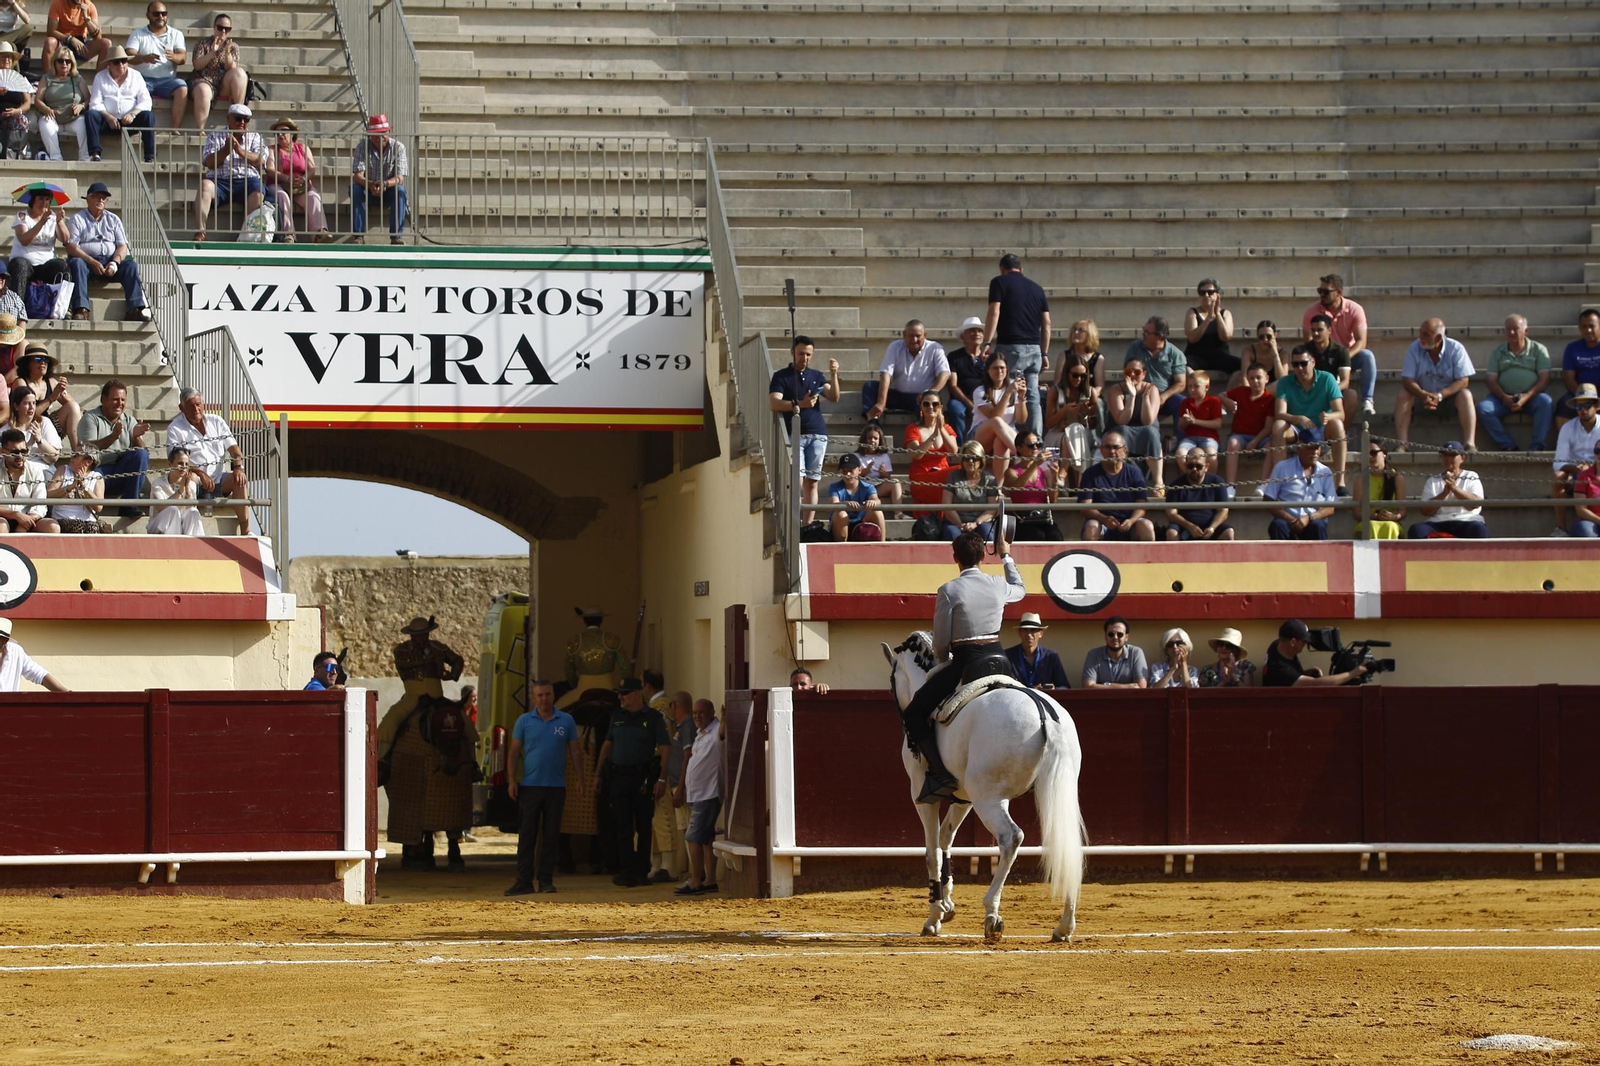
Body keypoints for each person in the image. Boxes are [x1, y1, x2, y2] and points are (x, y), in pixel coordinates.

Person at [899, 529, 1024, 802]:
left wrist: (943, 664)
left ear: (955, 558)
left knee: (914, 714)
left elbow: (942, 642)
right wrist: (1005, 554)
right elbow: (1021, 589)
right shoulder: (997, 584)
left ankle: (942, 775)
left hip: (967, 662)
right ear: (983, 556)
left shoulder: (949, 590)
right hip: (1001, 660)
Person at [379, 615, 472, 871]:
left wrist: (451, 674)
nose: (420, 639)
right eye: (417, 636)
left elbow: (459, 660)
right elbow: (405, 667)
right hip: (413, 696)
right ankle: (381, 762)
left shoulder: (439, 647)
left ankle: (471, 763)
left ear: (429, 633)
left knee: (465, 725)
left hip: (437, 695)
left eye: (424, 635)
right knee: (388, 724)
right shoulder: (403, 650)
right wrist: (429, 660)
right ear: (411, 635)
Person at [594, 677, 670, 887]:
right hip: (619, 777)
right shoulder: (617, 716)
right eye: (620, 693)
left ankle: (641, 872)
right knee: (623, 825)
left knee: (644, 825)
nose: (620, 697)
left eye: (625, 693)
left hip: (643, 778)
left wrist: (662, 778)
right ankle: (626, 871)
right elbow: (607, 745)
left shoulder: (653, 717)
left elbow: (665, 748)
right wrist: (598, 774)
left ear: (637, 694)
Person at [505, 678, 576, 896]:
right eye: (540, 695)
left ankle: (546, 880)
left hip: (556, 787)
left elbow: (575, 752)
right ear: (534, 698)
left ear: (553, 696)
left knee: (551, 835)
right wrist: (511, 780)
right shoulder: (524, 722)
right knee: (527, 835)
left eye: (547, 694)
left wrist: (581, 779)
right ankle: (524, 880)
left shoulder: (566, 721)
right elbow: (514, 753)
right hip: (530, 786)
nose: (544, 698)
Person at [981, 253, 1051, 438]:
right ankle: (1036, 441)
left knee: (1009, 391)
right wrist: (1044, 352)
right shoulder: (1037, 288)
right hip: (1034, 348)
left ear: (1002, 269)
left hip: (1011, 346)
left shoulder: (999, 282)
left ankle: (1011, 438)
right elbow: (1047, 323)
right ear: (1021, 270)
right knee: (1033, 397)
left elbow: (994, 311)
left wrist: (987, 341)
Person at [767, 334, 840, 510]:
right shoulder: (781, 376)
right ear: (792, 352)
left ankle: (807, 525)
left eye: (808, 354)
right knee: (797, 481)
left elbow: (834, 396)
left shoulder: (816, 375)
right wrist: (800, 404)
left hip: (818, 433)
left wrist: (834, 374)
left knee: (812, 482)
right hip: (795, 433)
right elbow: (773, 403)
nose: (804, 358)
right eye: (801, 354)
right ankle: (794, 521)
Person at [165, 386, 250, 532]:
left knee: (240, 480)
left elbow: (235, 450)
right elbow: (176, 461)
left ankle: (246, 531)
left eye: (198, 404)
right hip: (194, 478)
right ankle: (189, 527)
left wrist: (238, 468)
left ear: (203, 404)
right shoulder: (175, 428)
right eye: (191, 406)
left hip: (218, 478)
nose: (196, 409)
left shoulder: (216, 421)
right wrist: (200, 473)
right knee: (188, 477)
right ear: (181, 408)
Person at [64, 182, 150, 324]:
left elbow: (122, 245)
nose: (101, 200)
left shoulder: (113, 219)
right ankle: (81, 309)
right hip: (87, 262)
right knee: (76, 263)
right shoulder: (77, 219)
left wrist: (115, 263)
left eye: (103, 198)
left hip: (110, 261)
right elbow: (72, 247)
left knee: (131, 266)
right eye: (97, 197)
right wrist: (91, 261)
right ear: (88, 199)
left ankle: (135, 310)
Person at [1303, 274, 1378, 417]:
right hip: (1321, 356)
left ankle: (1368, 399)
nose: (1322, 295)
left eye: (1326, 292)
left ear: (1339, 293)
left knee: (1367, 356)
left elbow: (1361, 341)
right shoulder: (1312, 311)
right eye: (1320, 291)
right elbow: (1308, 343)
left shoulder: (1355, 309)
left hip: (1347, 354)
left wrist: (1343, 357)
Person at [1396, 318, 1476, 451]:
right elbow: (1407, 379)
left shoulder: (1456, 348)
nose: (1421, 337)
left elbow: (1463, 381)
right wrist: (1422, 395)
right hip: (1422, 398)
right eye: (1421, 333)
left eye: (1426, 334)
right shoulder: (1414, 348)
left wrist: (1440, 395)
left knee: (1466, 395)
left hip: (1448, 399)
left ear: (1438, 338)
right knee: (1403, 395)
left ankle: (1469, 444)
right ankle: (1402, 444)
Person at [1272, 344, 1346, 486]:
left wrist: (1328, 417)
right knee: (1278, 426)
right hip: (1297, 431)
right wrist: (1298, 418)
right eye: (1295, 364)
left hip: (1322, 429)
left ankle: (1340, 482)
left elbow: (1340, 413)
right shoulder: (1285, 382)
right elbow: (1279, 413)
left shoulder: (1327, 378)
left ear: (1313, 362)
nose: (1299, 368)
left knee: (1337, 423)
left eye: (1303, 363)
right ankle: (1279, 482)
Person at [1477, 314, 1552, 451]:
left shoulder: (1538, 350)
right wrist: (1503, 397)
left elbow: (1545, 378)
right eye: (1508, 329)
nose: (1511, 332)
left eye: (1515, 329)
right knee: (1484, 408)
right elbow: (1491, 380)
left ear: (1526, 331)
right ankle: (1508, 445)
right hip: (1502, 398)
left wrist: (1526, 396)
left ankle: (1537, 445)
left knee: (1546, 402)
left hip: (1531, 397)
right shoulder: (1497, 352)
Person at [193, 103, 265, 242]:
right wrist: (226, 150)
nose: (242, 123)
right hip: (220, 180)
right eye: (238, 118)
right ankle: (201, 231)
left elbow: (260, 160)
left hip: (247, 181)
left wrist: (239, 151)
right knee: (205, 185)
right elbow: (209, 162)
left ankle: (246, 235)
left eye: (246, 119)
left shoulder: (255, 136)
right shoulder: (215, 136)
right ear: (228, 118)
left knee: (258, 191)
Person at [77, 377, 149, 515]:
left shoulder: (129, 420)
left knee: (141, 453)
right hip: (97, 472)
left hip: (121, 473)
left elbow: (143, 454)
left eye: (122, 400)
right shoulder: (90, 418)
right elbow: (86, 449)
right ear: (103, 400)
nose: (119, 404)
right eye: (115, 399)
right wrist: (112, 437)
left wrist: (136, 437)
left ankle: (129, 506)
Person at [675, 698, 721, 895]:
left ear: (712, 713)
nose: (697, 716)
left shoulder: (717, 730)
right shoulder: (700, 733)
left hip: (708, 793)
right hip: (698, 794)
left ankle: (695, 881)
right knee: (706, 838)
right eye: (695, 713)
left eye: (701, 712)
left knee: (693, 837)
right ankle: (710, 880)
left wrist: (726, 715)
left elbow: (725, 730)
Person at [863, 319, 950, 420]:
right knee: (870, 386)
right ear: (904, 335)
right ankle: (873, 425)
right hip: (897, 395)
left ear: (925, 335)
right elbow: (886, 374)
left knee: (927, 405)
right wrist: (881, 402)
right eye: (910, 336)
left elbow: (945, 373)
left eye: (918, 336)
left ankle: (921, 434)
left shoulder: (935, 348)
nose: (914, 340)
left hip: (920, 398)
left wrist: (930, 392)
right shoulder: (895, 347)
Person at [1077, 430, 1154, 541]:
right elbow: (1084, 507)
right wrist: (1104, 519)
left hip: (1129, 524)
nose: (1112, 451)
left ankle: (1149, 559)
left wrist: (1131, 520)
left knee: (1146, 526)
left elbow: (1141, 504)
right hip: (1101, 524)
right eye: (1107, 447)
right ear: (1101, 450)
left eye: (1116, 447)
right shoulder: (1090, 474)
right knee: (1091, 526)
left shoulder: (1135, 472)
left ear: (1124, 450)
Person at [1263, 428, 1337, 540]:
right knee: (1278, 525)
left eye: (1317, 447)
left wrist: (1309, 518)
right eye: (1310, 447)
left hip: (1312, 521)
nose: (1314, 452)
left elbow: (1330, 507)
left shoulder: (1325, 471)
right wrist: (1291, 520)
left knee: (1318, 526)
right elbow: (1268, 499)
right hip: (1288, 521)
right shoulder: (1282, 467)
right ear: (1299, 447)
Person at [264, 117, 330, 242]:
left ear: (292, 133)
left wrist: (304, 179)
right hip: (279, 183)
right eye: (277, 132)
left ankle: (320, 233)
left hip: (300, 185)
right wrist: (287, 178)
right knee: (282, 196)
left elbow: (312, 169)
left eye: (283, 131)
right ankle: (289, 235)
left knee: (313, 197)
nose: (280, 134)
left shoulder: (303, 148)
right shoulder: (272, 150)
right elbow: (270, 169)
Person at [87, 46, 154, 164]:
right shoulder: (100, 77)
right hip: (107, 122)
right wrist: (108, 117)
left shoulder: (136, 76)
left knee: (148, 116)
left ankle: (150, 156)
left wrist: (133, 114)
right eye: (116, 62)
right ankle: (95, 154)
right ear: (109, 64)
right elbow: (95, 102)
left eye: (124, 61)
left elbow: (146, 101)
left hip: (130, 121)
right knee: (91, 115)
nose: (121, 65)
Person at [125, 1, 186, 128]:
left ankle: (175, 128)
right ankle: (134, 126)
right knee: (130, 90)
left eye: (164, 13)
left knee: (182, 88)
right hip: (143, 79)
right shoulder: (138, 34)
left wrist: (173, 57)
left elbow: (183, 58)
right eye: (156, 14)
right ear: (148, 15)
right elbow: (129, 56)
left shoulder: (176, 34)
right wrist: (143, 58)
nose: (161, 17)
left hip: (168, 80)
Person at [1408, 441, 1488, 539]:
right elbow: (1425, 511)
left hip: (1467, 521)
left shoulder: (1471, 476)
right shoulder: (1433, 480)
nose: (1448, 459)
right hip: (1439, 523)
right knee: (1417, 530)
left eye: (1453, 455)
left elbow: (1476, 503)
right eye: (1445, 455)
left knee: (1479, 529)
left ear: (1462, 458)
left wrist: (1455, 489)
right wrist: (1444, 494)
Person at [1107, 355, 1164, 489]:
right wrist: (1132, 397)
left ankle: (1158, 481)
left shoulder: (1152, 389)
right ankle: (1120, 479)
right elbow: (1122, 420)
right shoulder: (1116, 390)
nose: (1132, 374)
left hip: (1146, 427)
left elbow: (1148, 421)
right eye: (1128, 372)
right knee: (1122, 431)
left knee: (1151, 432)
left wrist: (1144, 399)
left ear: (1144, 374)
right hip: (1123, 427)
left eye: (1137, 372)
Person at [1043, 347, 1100, 482]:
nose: (1079, 379)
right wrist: (1064, 411)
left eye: (1083, 376)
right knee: (1075, 432)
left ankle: (1063, 472)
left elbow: (1094, 426)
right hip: (1057, 433)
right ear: (1067, 373)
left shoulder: (1090, 392)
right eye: (1075, 375)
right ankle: (1080, 483)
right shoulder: (1055, 392)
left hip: (1082, 433)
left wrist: (1090, 413)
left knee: (1076, 429)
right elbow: (1049, 423)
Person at [1123, 315, 1188, 434]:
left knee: (1182, 402)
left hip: (1165, 398)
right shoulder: (1135, 347)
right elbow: (1127, 372)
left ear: (1160, 336)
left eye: (1147, 332)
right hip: (1139, 395)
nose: (1143, 334)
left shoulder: (1175, 354)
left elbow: (1181, 383)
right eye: (1144, 330)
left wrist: (1163, 397)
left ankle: (1180, 445)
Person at [1263, 618, 1374, 687]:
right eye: (1304, 641)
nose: (1306, 644)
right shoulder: (1281, 670)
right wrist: (1353, 673)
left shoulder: (1277, 645)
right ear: (1293, 642)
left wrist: (1305, 673)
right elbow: (1316, 684)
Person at [352, 113, 408, 244]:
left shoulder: (398, 147)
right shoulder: (362, 146)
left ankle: (396, 236)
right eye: (376, 133)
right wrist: (370, 184)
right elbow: (357, 176)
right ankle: (358, 236)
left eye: (383, 132)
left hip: (389, 189)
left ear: (388, 131)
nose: (380, 136)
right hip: (368, 188)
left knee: (400, 190)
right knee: (356, 189)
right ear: (370, 134)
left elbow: (400, 177)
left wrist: (385, 184)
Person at [1551, 384, 1600, 535]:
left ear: (1596, 406)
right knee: (1558, 477)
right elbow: (1558, 462)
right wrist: (1577, 469)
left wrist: (1592, 468)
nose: (1583, 410)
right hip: (1574, 472)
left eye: (1587, 405)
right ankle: (1561, 527)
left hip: (1598, 470)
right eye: (1579, 407)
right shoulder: (1568, 427)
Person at [660, 689, 697, 887]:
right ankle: (689, 871)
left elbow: (688, 756)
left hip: (683, 786)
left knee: (689, 829)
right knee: (685, 829)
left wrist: (681, 787)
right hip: (678, 784)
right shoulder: (682, 726)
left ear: (675, 706)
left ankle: (694, 872)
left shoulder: (687, 726)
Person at [559, 605, 630, 708]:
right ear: (601, 620)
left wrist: (576, 687)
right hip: (608, 687)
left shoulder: (575, 642)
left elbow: (568, 672)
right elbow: (626, 669)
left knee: (556, 713)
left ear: (584, 621)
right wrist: (622, 690)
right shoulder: (612, 639)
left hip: (583, 688)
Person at [32, 48, 95, 162]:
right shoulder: (47, 78)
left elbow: (88, 99)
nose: (64, 64)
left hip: (73, 118)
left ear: (72, 63)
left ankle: (84, 158)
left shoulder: (78, 78)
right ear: (54, 62)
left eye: (68, 61)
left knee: (84, 123)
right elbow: (37, 100)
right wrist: (46, 109)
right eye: (60, 61)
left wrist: (81, 106)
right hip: (53, 117)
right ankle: (56, 158)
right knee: (45, 123)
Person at [969, 352, 1025, 477]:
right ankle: (1023, 455)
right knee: (997, 422)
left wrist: (1021, 397)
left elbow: (1021, 420)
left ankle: (998, 488)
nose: (999, 371)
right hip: (981, 437)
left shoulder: (1012, 388)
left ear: (1007, 370)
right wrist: (1008, 393)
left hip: (1007, 437)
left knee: (1000, 441)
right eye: (995, 368)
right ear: (988, 370)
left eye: (1002, 368)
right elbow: (994, 415)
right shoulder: (980, 391)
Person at [1295, 313, 1356, 426]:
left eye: (1320, 330)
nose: (1315, 333)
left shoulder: (1341, 351)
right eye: (1313, 330)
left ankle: (1342, 435)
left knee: (1351, 395)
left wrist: (1328, 391)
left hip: (1332, 389)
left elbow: (1345, 381)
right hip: (1309, 388)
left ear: (1329, 330)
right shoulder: (1306, 350)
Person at [901, 389, 958, 510]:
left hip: (943, 476)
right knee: (958, 470)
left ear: (941, 407)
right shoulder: (913, 428)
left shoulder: (947, 428)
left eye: (935, 404)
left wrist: (941, 429)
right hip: (922, 477)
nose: (930, 407)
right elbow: (915, 455)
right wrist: (933, 436)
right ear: (921, 407)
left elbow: (954, 450)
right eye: (926, 404)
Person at [1005, 431, 1067, 541]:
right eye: (1030, 445)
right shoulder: (1012, 471)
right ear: (1019, 448)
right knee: (1037, 535)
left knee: (1056, 536)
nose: (1035, 448)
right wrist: (1035, 464)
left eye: (1038, 445)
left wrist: (1054, 478)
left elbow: (1053, 500)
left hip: (1041, 518)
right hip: (1023, 519)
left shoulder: (1043, 471)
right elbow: (1017, 487)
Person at [1221, 362, 1275, 488]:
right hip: (1240, 435)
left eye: (1259, 377)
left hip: (1261, 437)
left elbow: (1268, 427)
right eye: (1252, 378)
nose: (1255, 381)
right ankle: (1230, 486)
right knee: (1232, 444)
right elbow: (1220, 395)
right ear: (1247, 379)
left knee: (1273, 447)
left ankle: (1264, 484)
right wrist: (1227, 401)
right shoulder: (1241, 392)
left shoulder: (1270, 399)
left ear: (1266, 379)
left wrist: (1255, 442)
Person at [187, 11, 244, 130]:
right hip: (202, 79)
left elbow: (231, 69)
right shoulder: (203, 43)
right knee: (203, 90)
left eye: (227, 29)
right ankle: (200, 129)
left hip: (222, 83)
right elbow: (197, 65)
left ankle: (239, 115)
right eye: (220, 27)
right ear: (214, 27)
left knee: (239, 73)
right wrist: (212, 52)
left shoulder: (233, 46)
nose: (223, 31)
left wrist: (227, 53)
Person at [14, 343, 77, 448]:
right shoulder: (21, 383)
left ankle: (77, 450)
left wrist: (62, 390)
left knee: (73, 406)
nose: (43, 362)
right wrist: (51, 398)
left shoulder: (50, 382)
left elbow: (73, 407)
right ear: (28, 364)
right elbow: (26, 414)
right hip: (25, 425)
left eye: (45, 360)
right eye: (38, 359)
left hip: (46, 426)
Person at [1163, 448, 1233, 541]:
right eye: (1190, 466)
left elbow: (1223, 511)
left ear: (1206, 467)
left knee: (1228, 532)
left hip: (1211, 527)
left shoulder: (1217, 482)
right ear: (1185, 466)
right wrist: (1190, 526)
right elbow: (1171, 514)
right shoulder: (1176, 485)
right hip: (1185, 527)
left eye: (1199, 466)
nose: (1194, 469)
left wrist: (1212, 528)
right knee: (1172, 533)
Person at [9, 189, 67, 297]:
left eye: (47, 199)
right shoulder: (22, 216)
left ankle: (63, 309)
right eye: (40, 199)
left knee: (62, 266)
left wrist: (59, 222)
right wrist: (41, 223)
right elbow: (24, 240)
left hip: (45, 265)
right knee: (20, 265)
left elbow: (65, 239)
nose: (44, 202)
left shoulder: (53, 218)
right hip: (25, 263)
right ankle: (16, 307)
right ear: (33, 201)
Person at [0, 426, 58, 532]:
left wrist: (26, 522)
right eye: (15, 452)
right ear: (2, 452)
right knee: (1, 526)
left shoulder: (35, 470)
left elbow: (40, 504)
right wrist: (15, 515)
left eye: (24, 451)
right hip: (3, 517)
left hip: (29, 518)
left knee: (53, 527)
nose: (20, 456)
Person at [940, 439, 1000, 541]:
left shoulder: (990, 480)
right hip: (956, 522)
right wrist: (960, 525)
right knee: (953, 535)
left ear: (981, 460)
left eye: (974, 458)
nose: (970, 461)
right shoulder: (953, 476)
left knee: (988, 535)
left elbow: (992, 510)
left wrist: (975, 523)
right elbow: (947, 505)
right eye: (966, 458)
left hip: (981, 522)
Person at [1555, 308, 1600, 431]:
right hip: (1580, 393)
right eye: (1584, 327)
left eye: (1592, 326)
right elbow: (1569, 378)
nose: (1588, 330)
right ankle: (1567, 444)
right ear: (1580, 328)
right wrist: (1583, 396)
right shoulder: (1572, 348)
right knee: (1564, 405)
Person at [945, 315, 988, 442]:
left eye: (979, 331)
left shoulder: (989, 357)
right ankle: (961, 446)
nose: (976, 334)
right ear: (963, 336)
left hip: (985, 398)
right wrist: (970, 404)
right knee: (954, 409)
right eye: (971, 331)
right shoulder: (954, 357)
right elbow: (952, 385)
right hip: (961, 399)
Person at [1183, 278, 1238, 376]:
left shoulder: (1225, 313)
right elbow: (1192, 338)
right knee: (1183, 366)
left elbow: (1226, 337)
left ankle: (1228, 392)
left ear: (1217, 294)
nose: (1206, 295)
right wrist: (1208, 319)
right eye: (1202, 292)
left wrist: (1217, 314)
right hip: (1197, 356)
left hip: (1220, 357)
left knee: (1243, 366)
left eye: (1210, 292)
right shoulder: (1192, 312)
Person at [147, 443, 204, 535]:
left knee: (193, 512)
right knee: (172, 510)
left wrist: (188, 490)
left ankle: (194, 545)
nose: (184, 467)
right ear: (170, 464)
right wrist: (181, 490)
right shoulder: (158, 483)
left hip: (181, 525)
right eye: (180, 463)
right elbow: (161, 507)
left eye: (186, 464)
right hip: (158, 526)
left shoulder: (191, 484)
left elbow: (190, 509)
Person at [0, 616, 69, 692]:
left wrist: (68, 694)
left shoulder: (15, 651)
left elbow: (39, 674)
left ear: (5, 640)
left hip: (8, 703)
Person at [42, 0, 110, 75]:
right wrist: (70, 39)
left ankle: (100, 82)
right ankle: (47, 81)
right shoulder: (57, 3)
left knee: (106, 43)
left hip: (81, 45)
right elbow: (51, 31)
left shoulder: (89, 5)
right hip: (62, 43)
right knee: (50, 42)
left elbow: (98, 37)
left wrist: (86, 18)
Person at [46, 442, 102, 532]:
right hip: (64, 519)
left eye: (76, 455)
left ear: (88, 462)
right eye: (73, 454)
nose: (71, 457)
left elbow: (99, 507)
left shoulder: (97, 477)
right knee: (77, 527)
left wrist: (85, 488)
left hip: (89, 522)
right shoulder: (63, 470)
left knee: (92, 530)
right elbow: (48, 494)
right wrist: (70, 487)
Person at [827, 452, 883, 542]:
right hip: (840, 525)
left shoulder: (868, 487)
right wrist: (845, 504)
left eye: (851, 470)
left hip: (861, 525)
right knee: (841, 514)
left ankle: (882, 545)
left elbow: (876, 500)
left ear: (859, 470)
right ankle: (840, 546)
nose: (848, 474)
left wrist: (873, 502)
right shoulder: (834, 487)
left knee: (877, 512)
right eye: (844, 471)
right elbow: (833, 503)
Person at [1357, 438, 1406, 540]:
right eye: (1367, 453)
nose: (1370, 456)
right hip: (1368, 520)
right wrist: (1372, 516)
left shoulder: (1396, 477)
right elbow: (1356, 512)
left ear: (1384, 453)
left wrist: (1394, 517)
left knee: (1390, 526)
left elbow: (1403, 511)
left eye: (1373, 453)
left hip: (1391, 521)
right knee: (1370, 526)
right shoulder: (1361, 478)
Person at [1005, 612, 1068, 689]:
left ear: (1041, 633)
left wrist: (1053, 689)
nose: (1029, 635)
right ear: (1019, 633)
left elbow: (1064, 686)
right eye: (1025, 630)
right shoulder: (1008, 656)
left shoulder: (1051, 656)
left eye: (1033, 630)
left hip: (1042, 699)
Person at [1082, 615, 1147, 688]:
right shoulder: (1094, 654)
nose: (1115, 637)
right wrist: (1126, 687)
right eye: (1111, 634)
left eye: (1120, 634)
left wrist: (1104, 685)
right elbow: (1088, 686)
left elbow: (1141, 687)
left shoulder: (1135, 653)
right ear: (1105, 636)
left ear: (1126, 637)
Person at [1175, 369, 1223, 467]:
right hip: (1190, 438)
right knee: (1180, 454)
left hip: (1209, 437)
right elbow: (1180, 427)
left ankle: (1209, 481)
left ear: (1207, 387)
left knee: (1211, 455)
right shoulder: (1186, 402)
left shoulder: (1214, 401)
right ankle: (1193, 478)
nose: (1192, 390)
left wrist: (1196, 421)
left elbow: (1217, 424)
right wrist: (1185, 422)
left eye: (1196, 386)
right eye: (1190, 386)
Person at [855, 422, 903, 512]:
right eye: (869, 438)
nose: (872, 441)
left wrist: (882, 473)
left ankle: (898, 513)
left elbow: (888, 476)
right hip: (863, 487)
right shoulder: (857, 456)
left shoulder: (883, 456)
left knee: (895, 483)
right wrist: (866, 471)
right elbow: (854, 477)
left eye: (875, 438)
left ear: (880, 440)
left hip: (878, 486)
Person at [8, 383, 60, 464]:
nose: (32, 407)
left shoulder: (44, 422)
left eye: (34, 403)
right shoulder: (7, 429)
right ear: (16, 406)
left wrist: (39, 440)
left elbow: (54, 458)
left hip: (43, 470)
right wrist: (29, 444)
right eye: (26, 403)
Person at [1231, 320, 1285, 389]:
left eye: (1268, 336)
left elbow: (1283, 379)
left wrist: (1275, 354)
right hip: (1254, 390)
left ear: (1275, 335)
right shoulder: (1249, 351)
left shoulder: (1283, 353)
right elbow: (1245, 377)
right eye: (1261, 337)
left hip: (1273, 390)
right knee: (1237, 375)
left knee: (1280, 384)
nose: (1265, 340)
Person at [0, 40, 30, 158]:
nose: (7, 60)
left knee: (22, 120)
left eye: (9, 57)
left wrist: (17, 111)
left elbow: (27, 102)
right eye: (3, 57)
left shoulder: (20, 78)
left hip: (12, 116)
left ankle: (15, 153)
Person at [1569, 440, 1600, 538]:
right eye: (1597, 450)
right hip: (1591, 521)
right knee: (1585, 531)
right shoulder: (1584, 476)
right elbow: (1581, 509)